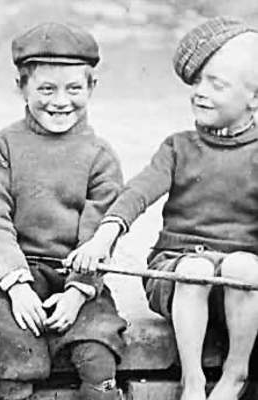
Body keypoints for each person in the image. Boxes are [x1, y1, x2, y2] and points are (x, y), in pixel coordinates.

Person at [68, 16, 258, 400]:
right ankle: (192, 380)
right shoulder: (178, 147)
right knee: (194, 267)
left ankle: (236, 374)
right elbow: (137, 193)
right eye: (198, 81)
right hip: (177, 271)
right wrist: (102, 240)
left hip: (243, 284)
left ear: (254, 98)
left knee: (242, 265)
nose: (200, 92)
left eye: (216, 84)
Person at [0, 22, 127, 400]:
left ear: (92, 87)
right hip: (15, 277)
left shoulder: (100, 156)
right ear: (21, 87)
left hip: (77, 277)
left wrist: (78, 292)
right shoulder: (3, 146)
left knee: (97, 353)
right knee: (14, 352)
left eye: (74, 88)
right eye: (45, 89)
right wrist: (18, 285)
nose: (60, 101)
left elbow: (98, 232)